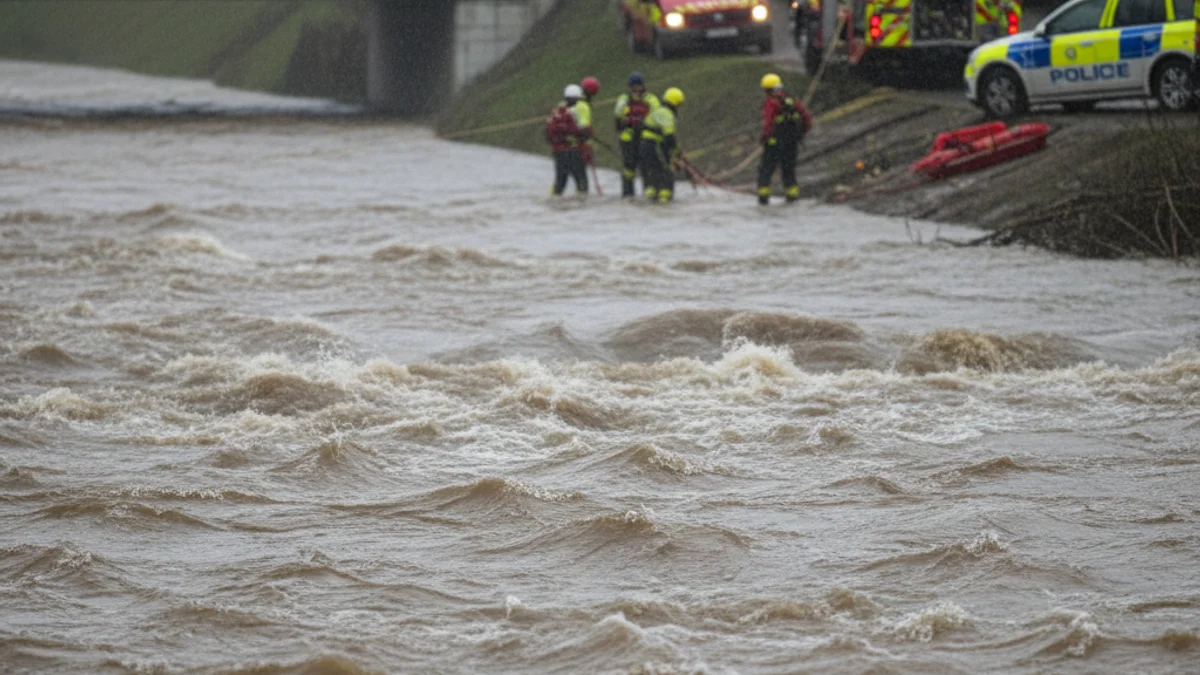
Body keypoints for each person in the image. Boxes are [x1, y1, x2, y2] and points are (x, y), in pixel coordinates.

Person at [756, 73, 813, 206]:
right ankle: (792, 198)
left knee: (765, 170)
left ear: (767, 89)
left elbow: (768, 124)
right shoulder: (792, 100)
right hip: (792, 143)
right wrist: (801, 134)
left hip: (774, 145)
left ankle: (763, 199)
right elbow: (807, 119)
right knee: (789, 170)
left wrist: (764, 138)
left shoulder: (771, 103)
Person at [614, 72, 661, 198]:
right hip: (641, 139)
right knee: (643, 168)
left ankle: (629, 195)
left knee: (631, 169)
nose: (635, 90)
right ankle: (647, 194)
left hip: (631, 139)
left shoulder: (624, 99)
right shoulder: (650, 98)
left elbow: (618, 117)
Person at [639, 87, 685, 204]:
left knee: (653, 173)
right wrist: (677, 152)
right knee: (667, 173)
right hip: (655, 147)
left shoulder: (657, 111)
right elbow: (669, 137)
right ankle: (665, 200)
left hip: (644, 146)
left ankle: (650, 198)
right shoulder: (667, 114)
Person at [546, 84, 589, 196]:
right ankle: (582, 205)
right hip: (574, 151)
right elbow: (585, 130)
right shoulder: (580, 108)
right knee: (581, 181)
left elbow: (548, 133)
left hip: (558, 152)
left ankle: (552, 199)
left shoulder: (557, 111)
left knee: (560, 182)